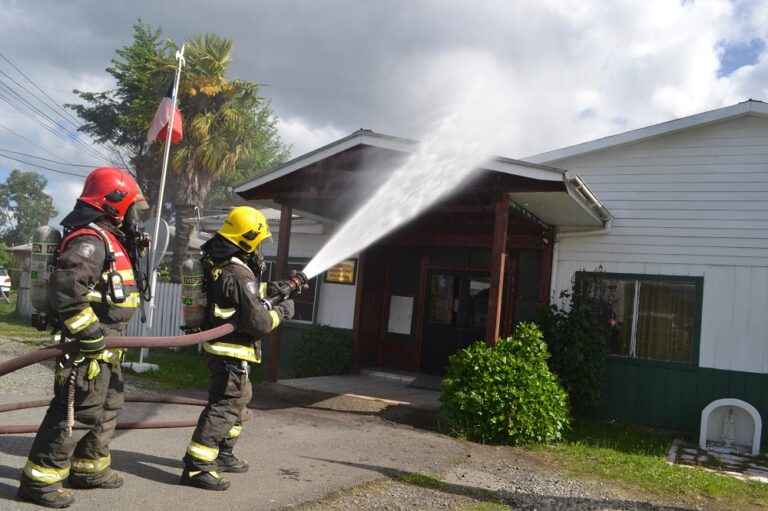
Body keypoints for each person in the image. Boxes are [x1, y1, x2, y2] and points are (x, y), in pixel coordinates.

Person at [18, 167, 150, 508]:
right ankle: (40, 482)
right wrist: (89, 334)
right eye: (134, 207)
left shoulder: (108, 237)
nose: (137, 216)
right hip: (90, 342)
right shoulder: (90, 239)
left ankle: (90, 468)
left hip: (108, 343)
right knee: (76, 411)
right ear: (114, 202)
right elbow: (66, 290)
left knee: (107, 406)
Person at [181, 206, 294, 491]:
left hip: (224, 349)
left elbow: (245, 296)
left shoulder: (222, 262)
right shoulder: (237, 272)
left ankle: (224, 453)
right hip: (231, 351)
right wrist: (284, 312)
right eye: (258, 241)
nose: (259, 247)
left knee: (240, 397)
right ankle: (197, 467)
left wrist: (275, 289)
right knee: (225, 404)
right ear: (246, 239)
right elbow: (258, 321)